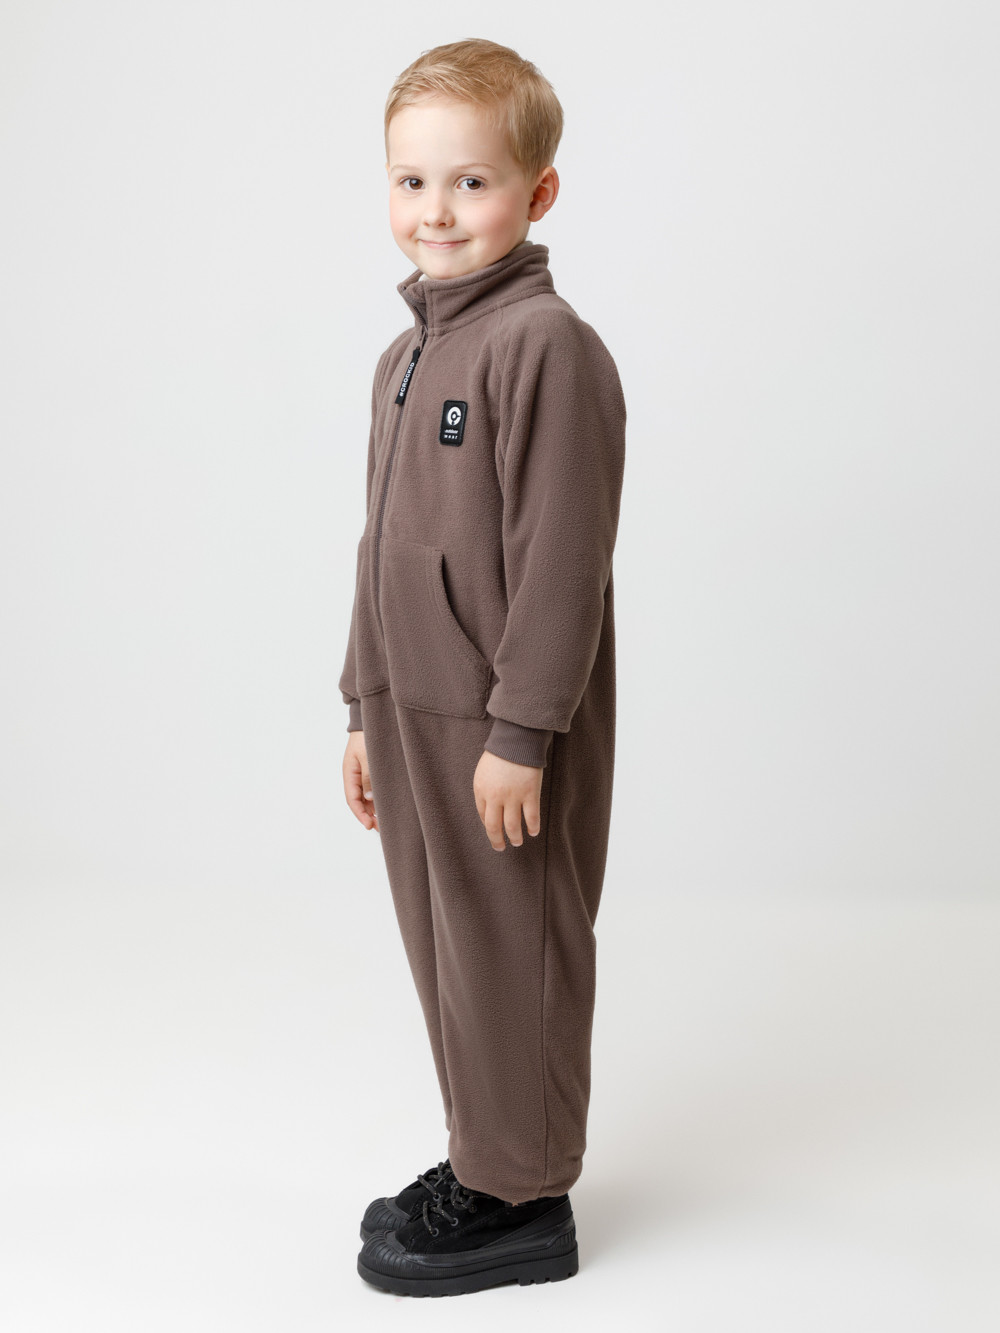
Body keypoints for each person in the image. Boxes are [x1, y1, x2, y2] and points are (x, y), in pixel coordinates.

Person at [339, 38, 627, 1297]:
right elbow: (381, 545)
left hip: (501, 724)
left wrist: (521, 731)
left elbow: (563, 556)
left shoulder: (544, 345)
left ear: (537, 192)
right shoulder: (404, 358)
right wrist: (361, 702)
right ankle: (485, 1154)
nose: (437, 211)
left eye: (470, 182)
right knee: (449, 945)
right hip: (412, 708)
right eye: (411, 182)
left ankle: (524, 1195)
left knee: (515, 947)